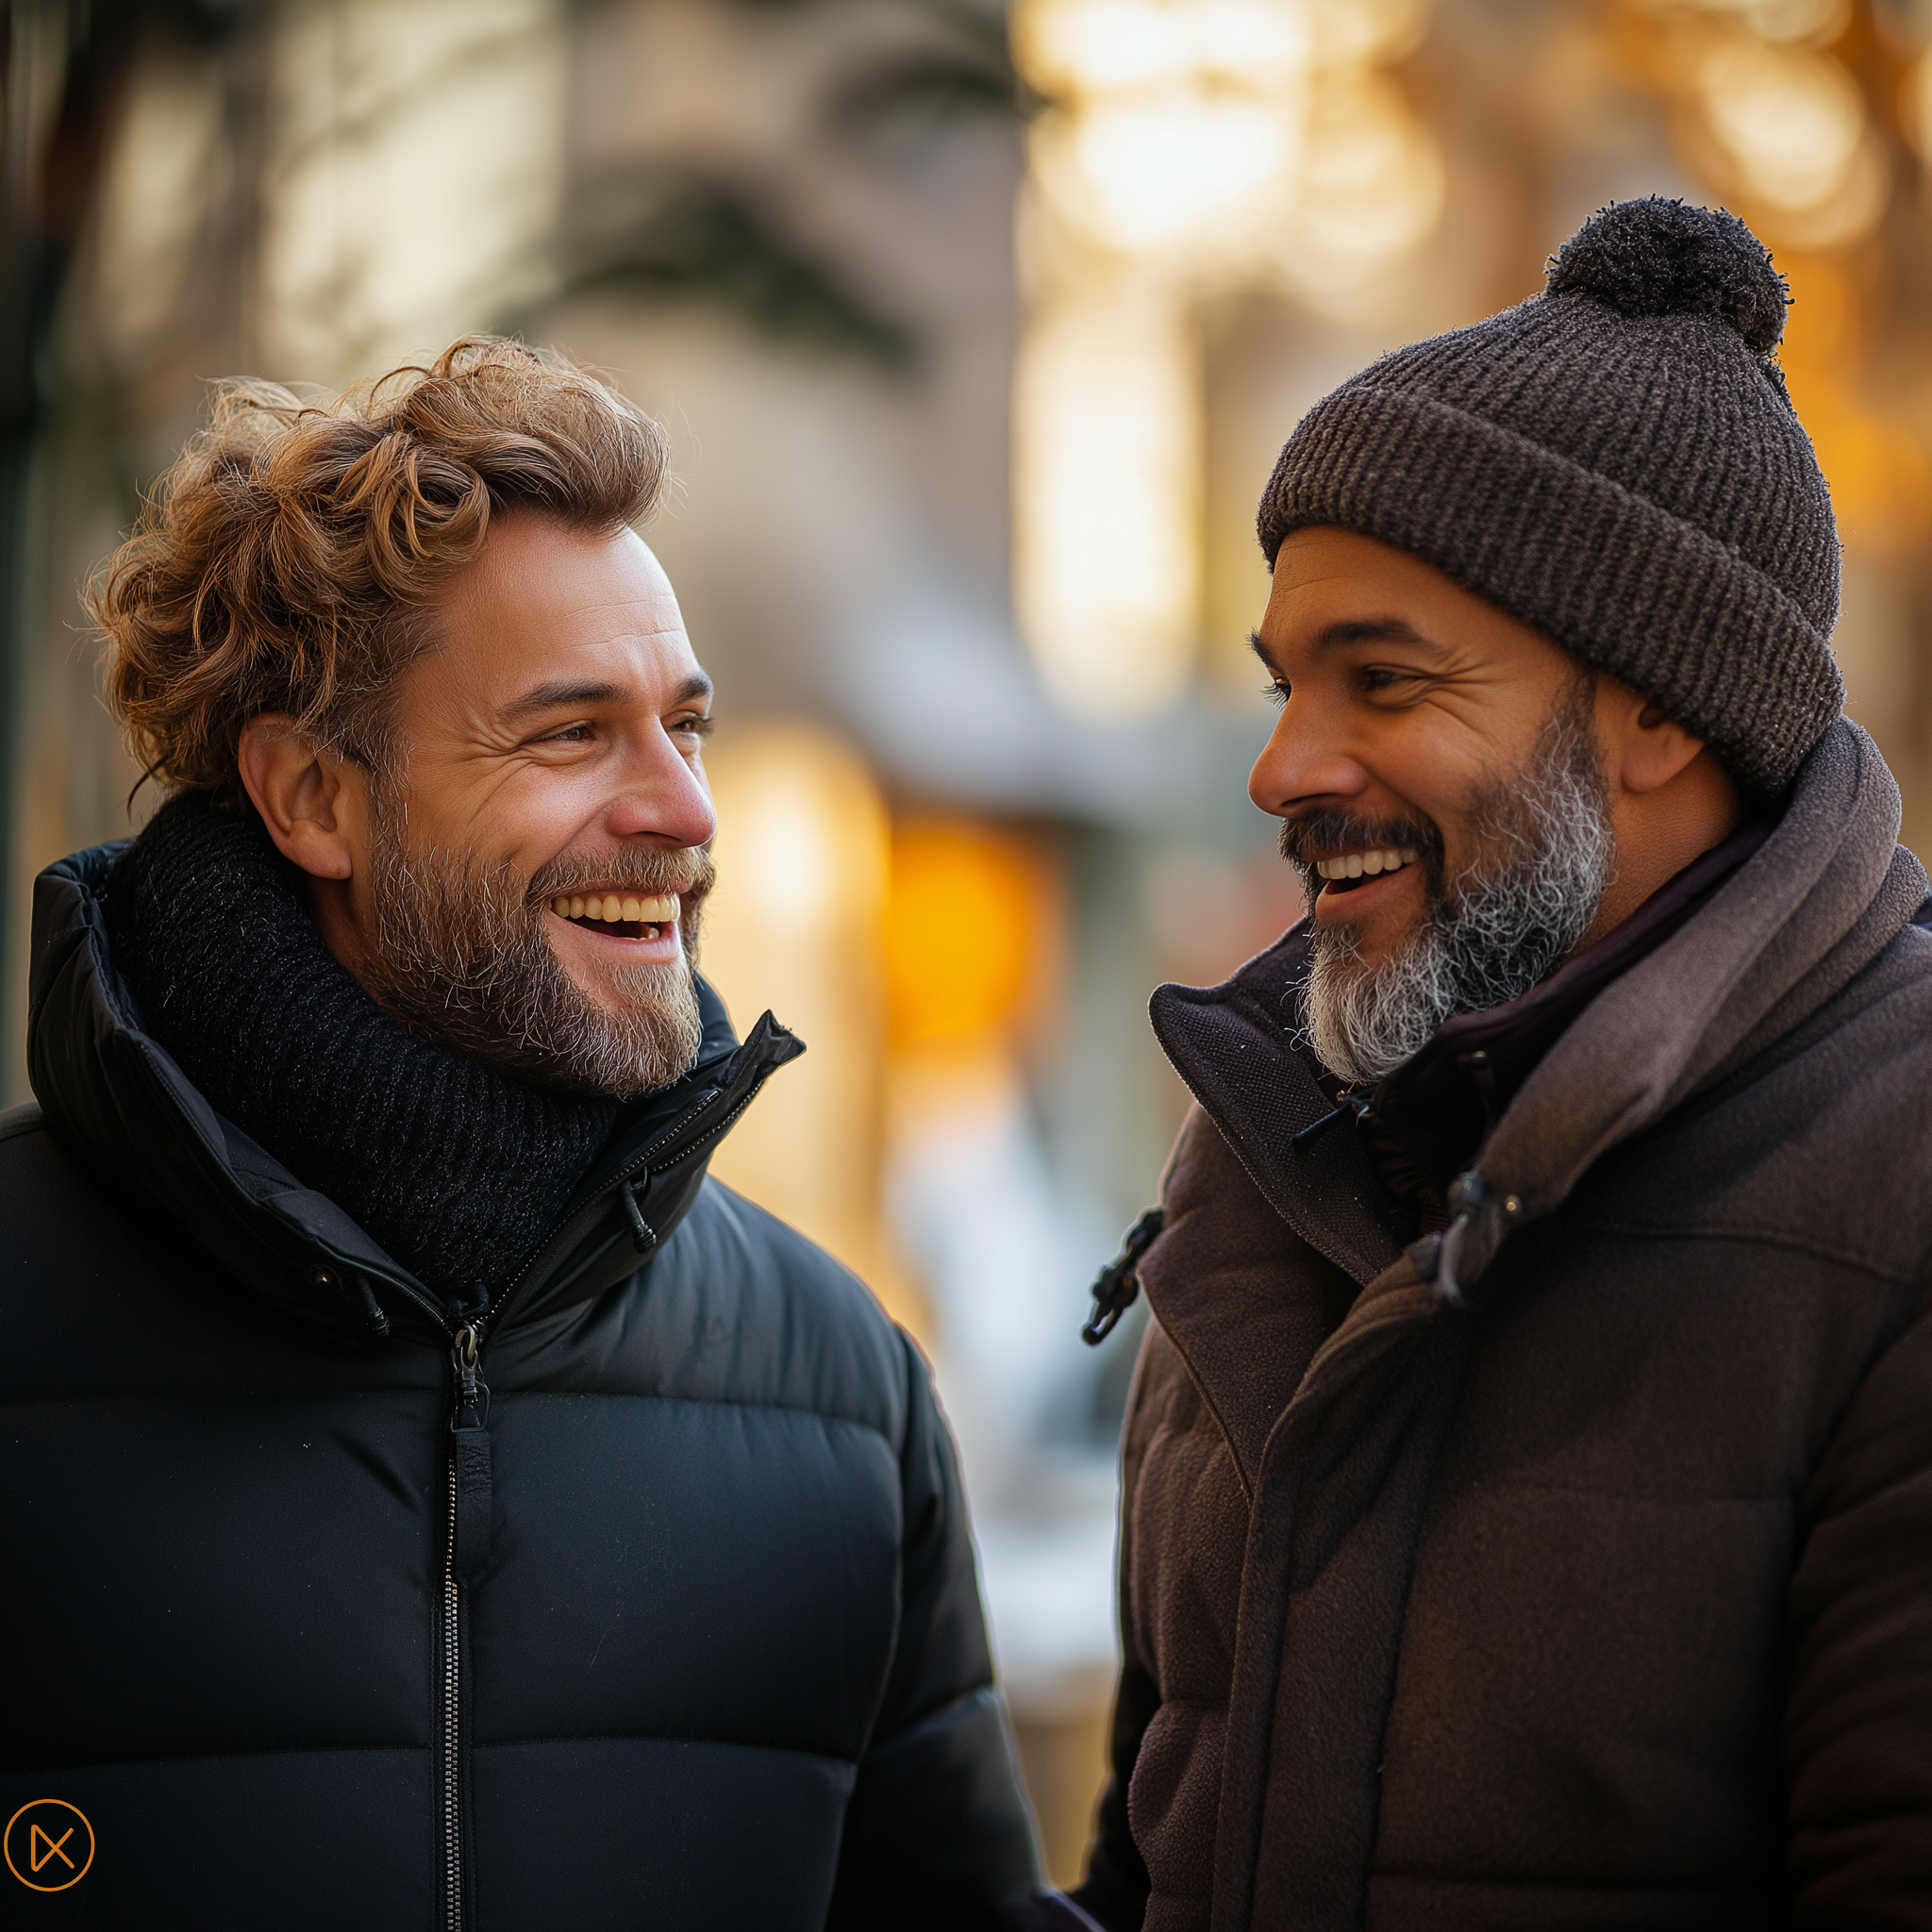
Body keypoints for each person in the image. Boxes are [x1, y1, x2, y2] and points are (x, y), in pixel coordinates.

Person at [0, 340, 1039, 1928]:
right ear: (314, 801)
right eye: (571, 734)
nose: (686, 811)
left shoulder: (844, 1393)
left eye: (685, 726)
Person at [1065, 198, 1932, 1929]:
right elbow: (1151, 1859)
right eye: (1285, 684)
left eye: (1380, 682)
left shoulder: (1902, 1172)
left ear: (1658, 709)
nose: (1284, 770)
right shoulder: (1260, 1159)